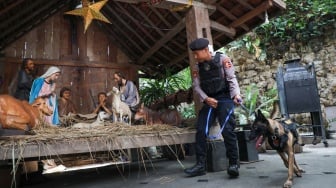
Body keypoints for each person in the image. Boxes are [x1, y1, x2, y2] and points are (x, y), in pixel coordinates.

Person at [184, 38, 242, 178]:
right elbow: (196, 86)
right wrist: (206, 99)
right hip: (209, 99)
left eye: (197, 54)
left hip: (224, 98)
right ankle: (200, 165)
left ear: (205, 50)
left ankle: (233, 164)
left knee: (228, 130)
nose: (195, 57)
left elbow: (231, 78)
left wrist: (236, 95)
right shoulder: (197, 67)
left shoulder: (223, 59)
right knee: (201, 129)